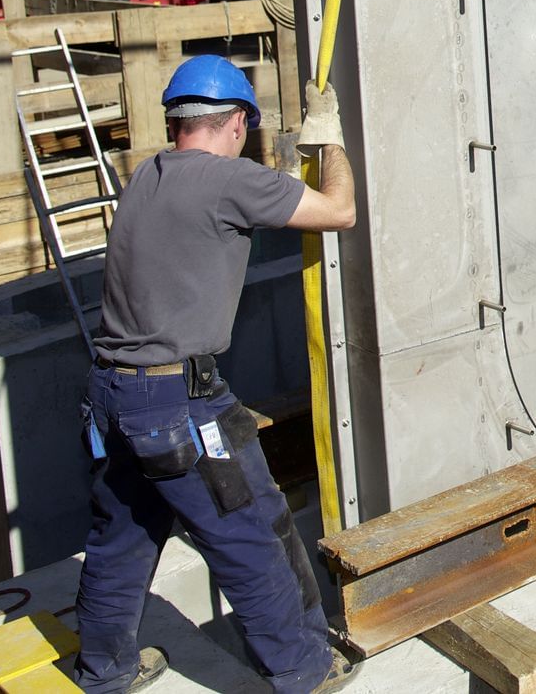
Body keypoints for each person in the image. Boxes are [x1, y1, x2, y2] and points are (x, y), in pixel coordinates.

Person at [74, 56, 359, 693]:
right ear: (235, 123)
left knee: (121, 538)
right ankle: (304, 669)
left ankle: (104, 670)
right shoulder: (230, 181)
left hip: (112, 395)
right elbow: (339, 211)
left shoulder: (147, 177)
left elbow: (219, 217)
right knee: (250, 532)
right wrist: (329, 141)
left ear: (176, 121)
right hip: (175, 404)